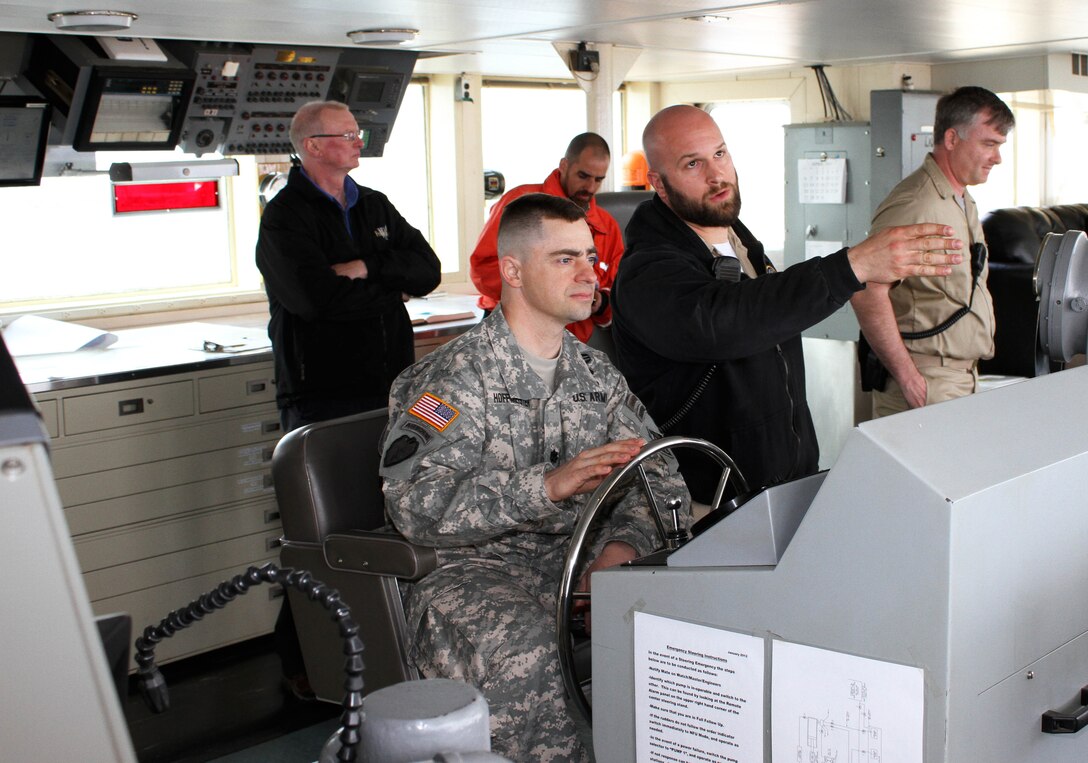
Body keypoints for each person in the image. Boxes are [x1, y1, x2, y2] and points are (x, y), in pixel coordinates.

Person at [381, 193, 688, 761]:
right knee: (533, 653)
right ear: (514, 272)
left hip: (578, 560)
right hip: (471, 571)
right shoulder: (449, 380)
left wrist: (621, 548)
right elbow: (416, 505)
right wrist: (544, 487)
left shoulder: (596, 371)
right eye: (564, 259)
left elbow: (657, 473)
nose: (588, 274)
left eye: (590, 258)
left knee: (701, 627)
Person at [610, 104, 963, 504]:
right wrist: (853, 265)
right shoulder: (647, 272)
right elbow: (727, 321)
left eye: (720, 154)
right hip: (708, 502)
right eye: (693, 164)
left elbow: (771, 315)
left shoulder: (740, 243)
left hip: (780, 486)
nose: (716, 175)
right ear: (658, 182)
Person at [255, 100, 441, 698]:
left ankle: (387, 649)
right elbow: (318, 304)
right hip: (322, 395)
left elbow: (429, 269)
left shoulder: (375, 206)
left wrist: (368, 268)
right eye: (348, 135)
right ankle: (301, 661)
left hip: (389, 387)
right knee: (321, 531)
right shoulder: (285, 218)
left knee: (386, 517)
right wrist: (389, 288)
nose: (360, 142)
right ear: (313, 145)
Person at [852, 86, 1015, 417]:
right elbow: (866, 289)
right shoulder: (916, 204)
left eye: (999, 146)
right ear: (952, 139)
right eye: (989, 144)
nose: (997, 157)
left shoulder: (960, 199)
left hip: (959, 376)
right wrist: (907, 376)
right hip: (925, 380)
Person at [469, 133, 623, 343]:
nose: (590, 187)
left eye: (598, 179)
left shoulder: (606, 226)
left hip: (572, 343)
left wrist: (601, 302)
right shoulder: (521, 205)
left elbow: (618, 293)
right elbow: (483, 269)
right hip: (512, 333)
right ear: (564, 165)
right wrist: (544, 295)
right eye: (583, 176)